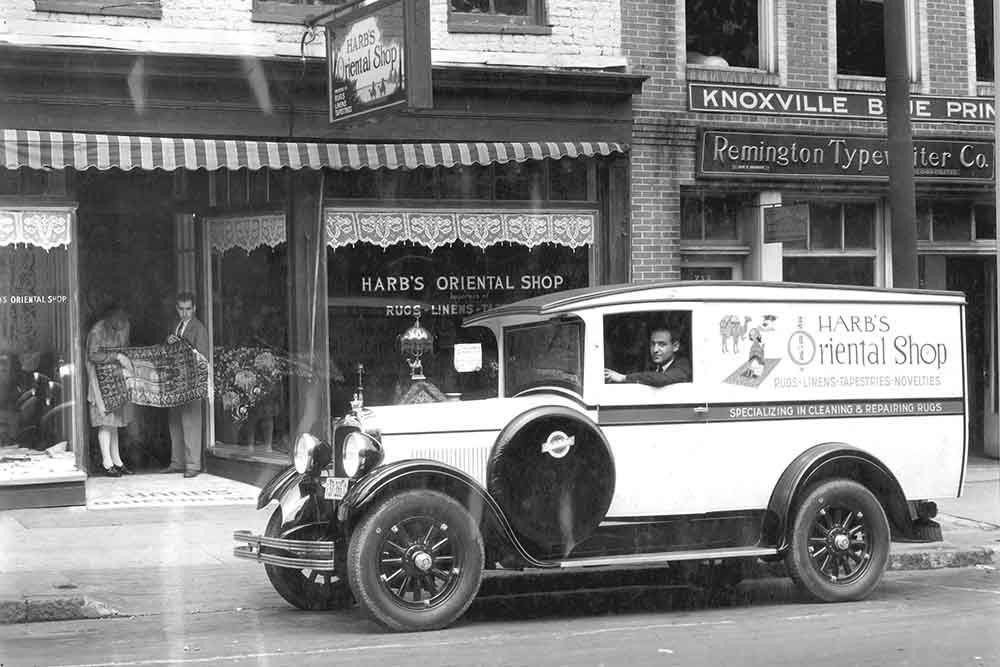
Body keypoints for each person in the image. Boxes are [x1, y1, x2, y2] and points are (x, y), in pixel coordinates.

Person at [86, 305, 133, 476]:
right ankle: (107, 463)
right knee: (105, 422)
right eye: (119, 321)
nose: (122, 325)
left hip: (114, 381)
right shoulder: (97, 331)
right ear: (111, 318)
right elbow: (93, 355)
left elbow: (124, 347)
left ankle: (117, 461)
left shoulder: (121, 327)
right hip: (99, 383)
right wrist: (116, 357)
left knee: (114, 423)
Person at [166, 291, 209, 478]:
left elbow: (202, 356)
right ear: (177, 309)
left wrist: (181, 344)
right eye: (182, 309)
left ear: (194, 309)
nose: (185, 313)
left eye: (188, 309)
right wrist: (169, 343)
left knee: (191, 422)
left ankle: (193, 465)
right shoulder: (177, 325)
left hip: (191, 381)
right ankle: (177, 462)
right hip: (176, 381)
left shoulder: (199, 328)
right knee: (175, 422)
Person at [604, 326, 692, 387]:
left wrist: (624, 378)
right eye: (652, 344)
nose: (655, 350)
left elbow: (661, 379)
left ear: (675, 346)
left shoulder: (683, 365)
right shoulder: (652, 366)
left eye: (662, 344)